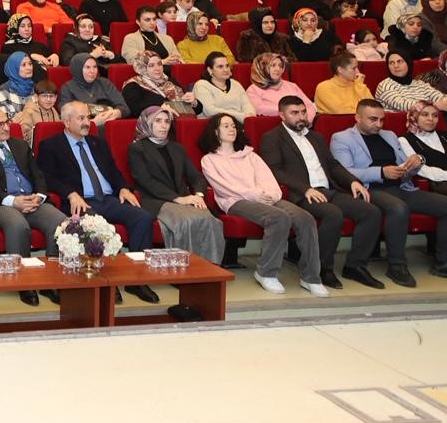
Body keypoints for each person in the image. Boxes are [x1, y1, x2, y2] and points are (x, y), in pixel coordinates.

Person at [36, 101, 162, 303]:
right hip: (81, 202)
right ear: (66, 122)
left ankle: (137, 280)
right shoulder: (51, 145)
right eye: (81, 118)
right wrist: (70, 193)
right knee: (97, 225)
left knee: (143, 218)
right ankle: (108, 282)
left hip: (108, 198)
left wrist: (123, 188)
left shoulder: (98, 143)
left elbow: (113, 171)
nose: (87, 122)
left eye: (88, 117)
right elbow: (46, 178)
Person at [258, 97, 385, 290]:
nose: (301, 117)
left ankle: (355, 266)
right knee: (333, 214)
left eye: (303, 112)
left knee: (371, 212)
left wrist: (352, 181)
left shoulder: (315, 137)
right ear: (282, 115)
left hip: (327, 190)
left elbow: (333, 165)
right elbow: (274, 170)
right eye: (294, 113)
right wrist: (305, 188)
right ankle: (322, 268)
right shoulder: (272, 137)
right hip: (301, 194)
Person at [198, 113, 326, 295]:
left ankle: (311, 277)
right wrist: (254, 195)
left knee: (305, 218)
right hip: (236, 201)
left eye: (233, 125)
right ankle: (266, 273)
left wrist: (271, 195)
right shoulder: (209, 160)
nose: (232, 129)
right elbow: (224, 187)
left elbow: (268, 179)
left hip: (266, 198)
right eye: (225, 126)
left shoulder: (250, 155)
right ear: (215, 131)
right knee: (278, 217)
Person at [330, 99, 447, 283]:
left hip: (401, 186)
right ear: (358, 118)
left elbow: (405, 166)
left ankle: (443, 264)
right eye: (373, 119)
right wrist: (381, 172)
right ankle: (397, 265)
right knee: (398, 208)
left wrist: (416, 163)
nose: (379, 124)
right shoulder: (341, 138)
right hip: (369, 189)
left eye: (382, 120)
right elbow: (345, 172)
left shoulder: (389, 135)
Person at [0, 106, 67, 305]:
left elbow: (38, 174)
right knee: (18, 225)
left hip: (30, 199)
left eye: (7, 122)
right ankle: (24, 283)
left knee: (60, 221)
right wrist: (12, 201)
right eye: (0, 124)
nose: (6, 127)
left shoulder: (20, 145)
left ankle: (53, 280)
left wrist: (39, 196)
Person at [126, 106, 225, 263]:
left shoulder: (177, 148)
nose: (164, 126)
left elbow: (196, 176)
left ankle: (209, 266)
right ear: (147, 123)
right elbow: (145, 181)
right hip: (156, 201)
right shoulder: (137, 148)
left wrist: (199, 195)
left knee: (211, 220)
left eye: (167, 121)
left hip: (184, 198)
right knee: (187, 221)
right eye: (158, 121)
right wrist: (178, 199)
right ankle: (184, 266)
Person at [192, 50, 253, 120]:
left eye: (227, 66)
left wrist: (250, 116)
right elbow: (211, 112)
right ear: (210, 70)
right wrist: (242, 116)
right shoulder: (202, 85)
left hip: (240, 123)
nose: (225, 69)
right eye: (220, 67)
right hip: (215, 124)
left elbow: (247, 105)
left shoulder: (236, 84)